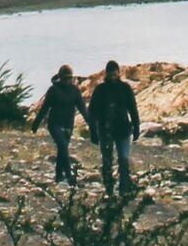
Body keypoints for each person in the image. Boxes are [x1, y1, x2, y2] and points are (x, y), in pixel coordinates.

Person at [85, 60, 140, 194]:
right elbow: (92, 112)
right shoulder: (100, 89)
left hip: (123, 129)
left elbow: (133, 108)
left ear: (118, 73)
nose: (112, 76)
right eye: (110, 73)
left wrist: (136, 126)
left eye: (114, 73)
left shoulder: (125, 88)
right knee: (107, 160)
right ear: (107, 73)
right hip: (105, 130)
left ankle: (124, 188)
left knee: (124, 159)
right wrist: (93, 131)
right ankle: (109, 188)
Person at [38, 65, 86, 183]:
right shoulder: (53, 90)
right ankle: (69, 176)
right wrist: (36, 123)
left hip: (68, 124)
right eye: (65, 78)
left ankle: (59, 176)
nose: (67, 81)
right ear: (59, 78)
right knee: (63, 146)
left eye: (69, 78)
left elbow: (83, 109)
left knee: (62, 150)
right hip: (54, 124)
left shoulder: (75, 91)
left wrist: (92, 125)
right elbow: (45, 108)